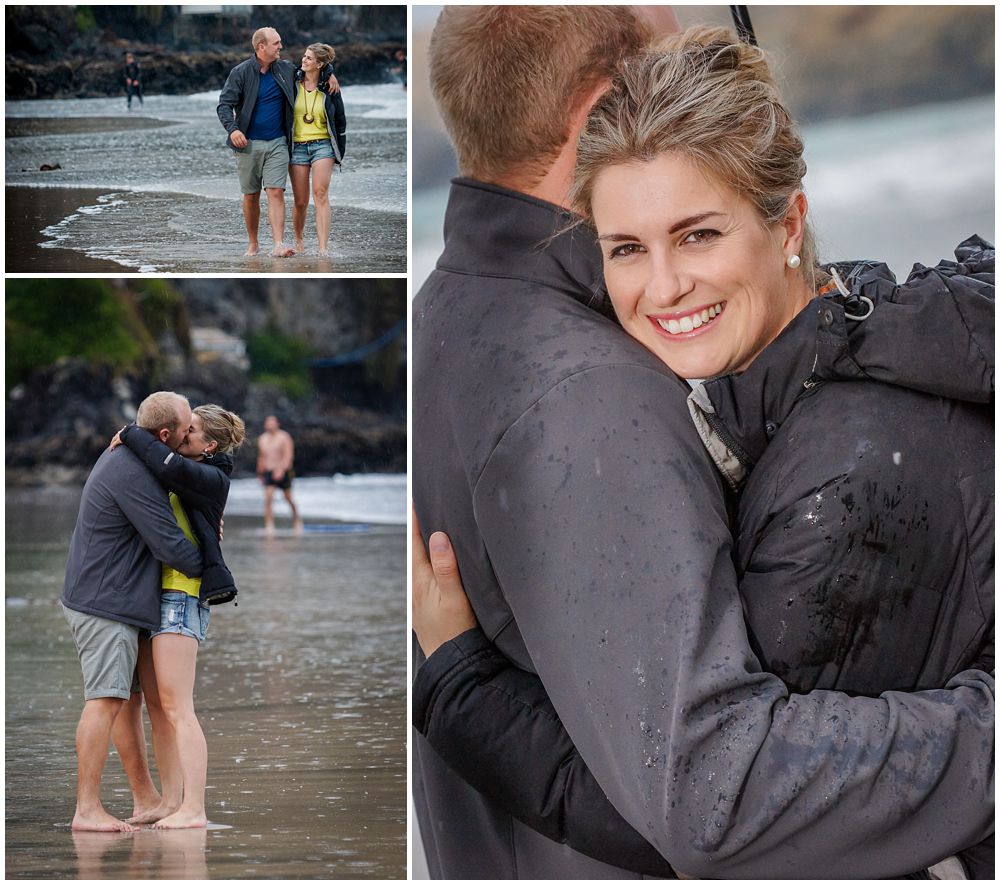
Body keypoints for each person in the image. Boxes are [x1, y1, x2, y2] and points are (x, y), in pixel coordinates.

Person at [410, 7, 994, 880]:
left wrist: (462, 689)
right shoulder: (670, 384)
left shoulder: (844, 464)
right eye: (626, 248)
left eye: (698, 232)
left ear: (786, 223)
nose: (663, 284)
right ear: (603, 119)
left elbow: (718, 802)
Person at [61, 391, 202, 832]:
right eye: (186, 430)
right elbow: (171, 547)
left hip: (114, 598)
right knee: (105, 700)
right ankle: (86, 809)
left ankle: (146, 798)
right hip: (104, 602)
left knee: (128, 700)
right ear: (165, 435)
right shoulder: (131, 472)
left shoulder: (134, 457)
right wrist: (213, 565)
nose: (189, 436)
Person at [109, 404, 245, 829]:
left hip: (183, 597)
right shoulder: (189, 470)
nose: (182, 436)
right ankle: (170, 802)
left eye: (191, 432)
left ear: (210, 445)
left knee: (177, 706)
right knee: (159, 706)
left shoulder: (210, 476)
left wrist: (131, 433)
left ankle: (194, 808)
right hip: (159, 595)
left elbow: (163, 462)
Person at [216, 27, 339, 258]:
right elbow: (224, 105)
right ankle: (253, 243)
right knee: (251, 195)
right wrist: (232, 130)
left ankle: (278, 244)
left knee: (276, 192)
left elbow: (312, 70)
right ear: (261, 47)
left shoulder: (285, 69)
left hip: (279, 143)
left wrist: (329, 73)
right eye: (276, 43)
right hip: (247, 144)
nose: (281, 47)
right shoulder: (240, 73)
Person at [290, 43, 347, 257]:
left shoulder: (330, 88)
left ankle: (323, 247)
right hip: (296, 146)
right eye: (304, 56)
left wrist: (339, 149)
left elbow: (340, 120)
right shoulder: (292, 81)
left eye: (309, 58)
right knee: (301, 200)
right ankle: (298, 238)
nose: (303, 60)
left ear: (319, 64)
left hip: (323, 144)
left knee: (320, 194)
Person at [257, 414, 301, 535]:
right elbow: (261, 457)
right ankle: (269, 526)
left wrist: (281, 470)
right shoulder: (262, 438)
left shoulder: (284, 437)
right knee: (268, 498)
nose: (270, 425)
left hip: (284, 471)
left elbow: (288, 455)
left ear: (277, 424)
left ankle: (297, 520)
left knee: (287, 497)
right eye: (268, 423)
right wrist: (260, 473)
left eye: (272, 422)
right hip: (268, 471)